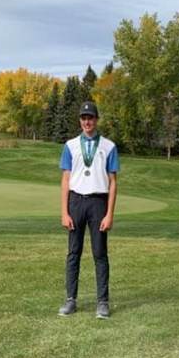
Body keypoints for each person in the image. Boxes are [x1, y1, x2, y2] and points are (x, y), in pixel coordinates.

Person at [58, 101, 120, 319]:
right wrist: (64, 212)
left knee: (100, 254)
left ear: (97, 120)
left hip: (98, 203)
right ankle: (70, 300)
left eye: (91, 118)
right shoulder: (71, 145)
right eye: (84, 118)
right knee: (73, 253)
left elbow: (112, 182)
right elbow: (65, 180)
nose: (87, 122)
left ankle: (103, 302)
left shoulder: (109, 146)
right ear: (80, 121)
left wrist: (109, 213)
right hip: (76, 202)